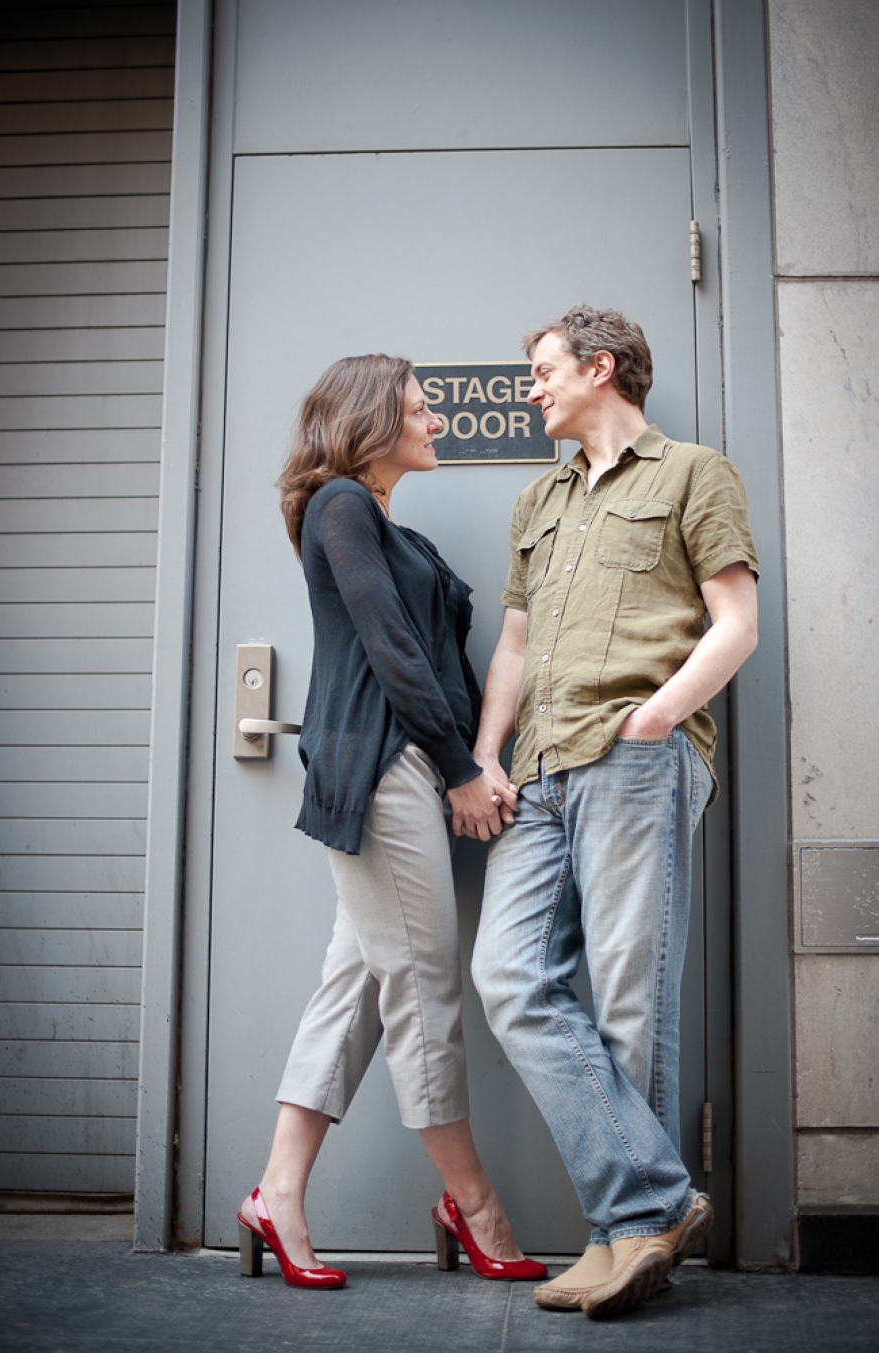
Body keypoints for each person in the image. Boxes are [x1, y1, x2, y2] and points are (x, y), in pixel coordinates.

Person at [465, 306, 759, 1320]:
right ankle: (655, 1204)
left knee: (632, 999)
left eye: (543, 372)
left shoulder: (693, 474)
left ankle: (622, 1240)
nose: (531, 390)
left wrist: (659, 717)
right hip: (540, 772)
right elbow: (512, 643)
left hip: (636, 759)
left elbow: (737, 625)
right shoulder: (535, 501)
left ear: (601, 368)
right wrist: (485, 751)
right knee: (509, 978)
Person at [236, 354, 546, 1290]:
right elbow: (390, 647)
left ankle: (276, 1195)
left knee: (359, 989)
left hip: (401, 765)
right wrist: (458, 768)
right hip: (386, 769)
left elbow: (425, 653)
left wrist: (473, 758)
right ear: (374, 417)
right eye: (420, 408)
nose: (437, 420)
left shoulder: (379, 521)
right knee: (422, 989)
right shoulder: (341, 507)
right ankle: (474, 1203)